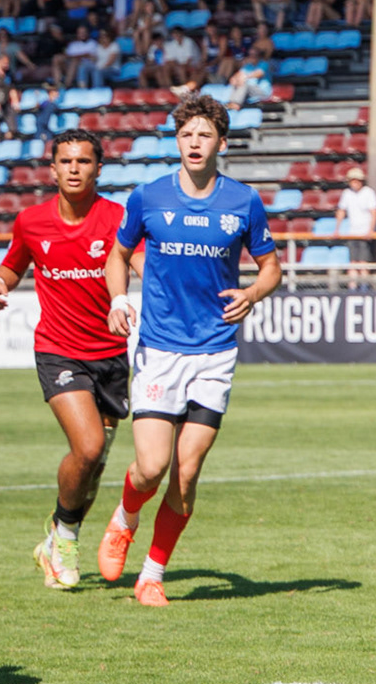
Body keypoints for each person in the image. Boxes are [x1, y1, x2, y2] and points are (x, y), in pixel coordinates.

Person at [97, 95, 282, 606]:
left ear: (221, 143)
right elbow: (118, 254)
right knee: (151, 468)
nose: (194, 143)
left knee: (187, 470)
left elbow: (271, 267)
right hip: (160, 348)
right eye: (186, 135)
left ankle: (152, 574)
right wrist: (118, 297)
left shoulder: (242, 201)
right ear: (177, 142)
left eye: (204, 135)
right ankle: (126, 515)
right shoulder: (148, 197)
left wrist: (252, 293)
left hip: (216, 351)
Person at [0, 134, 130, 591]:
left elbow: (136, 260)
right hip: (58, 348)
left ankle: (58, 538)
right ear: (51, 169)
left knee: (94, 465)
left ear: (98, 168)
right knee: (86, 447)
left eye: (83, 161)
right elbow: (13, 264)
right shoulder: (31, 221)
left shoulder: (117, 217)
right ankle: (64, 536)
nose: (73, 168)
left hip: (112, 354)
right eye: (65, 161)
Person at [334, 164, 376, 287]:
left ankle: (364, 288)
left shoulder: (368, 193)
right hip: (352, 232)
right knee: (353, 262)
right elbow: (341, 211)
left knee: (363, 262)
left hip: (364, 233)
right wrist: (337, 229)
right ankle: (352, 289)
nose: (355, 183)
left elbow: (373, 212)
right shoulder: (347, 194)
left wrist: (370, 230)